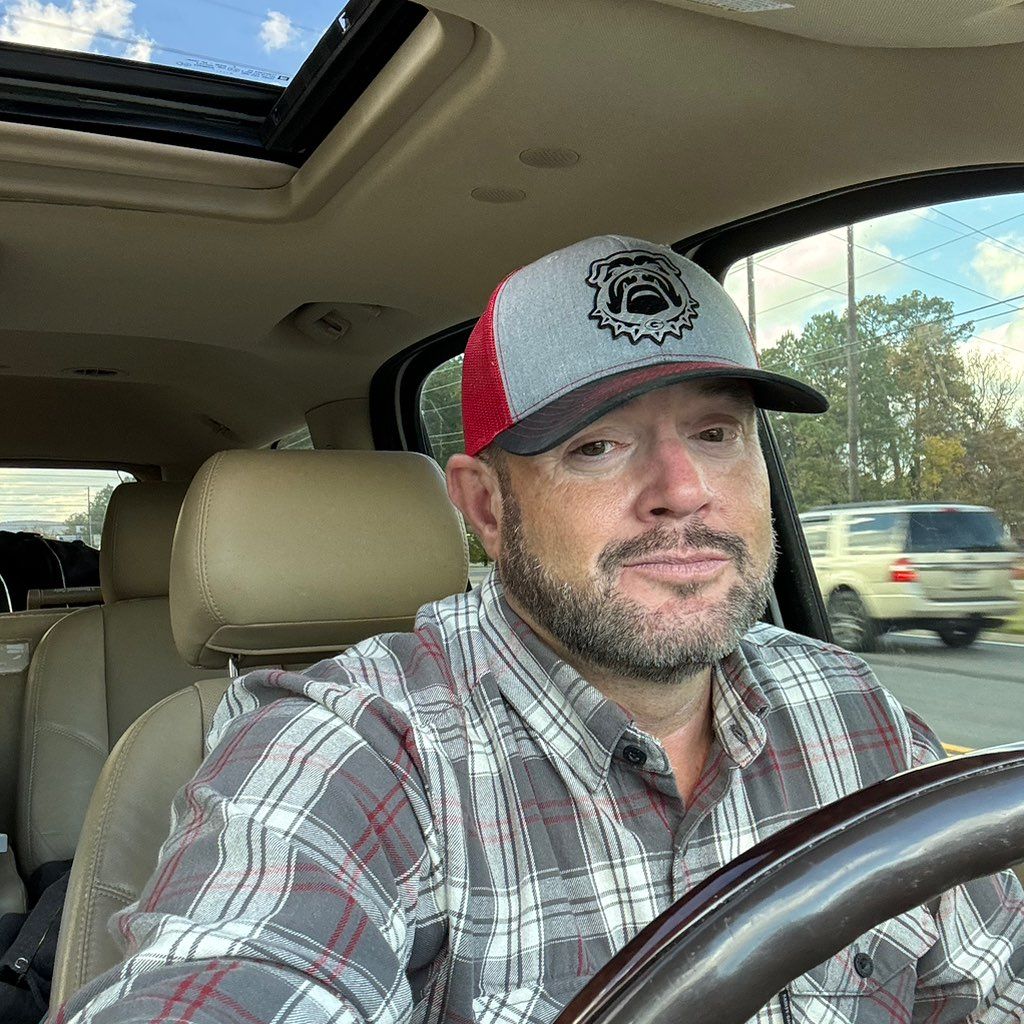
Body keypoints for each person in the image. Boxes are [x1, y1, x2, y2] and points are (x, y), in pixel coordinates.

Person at [53, 236, 1024, 1024]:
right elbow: (236, 969)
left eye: (716, 432)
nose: (684, 490)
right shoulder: (354, 748)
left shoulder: (855, 713)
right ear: (485, 505)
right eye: (596, 445)